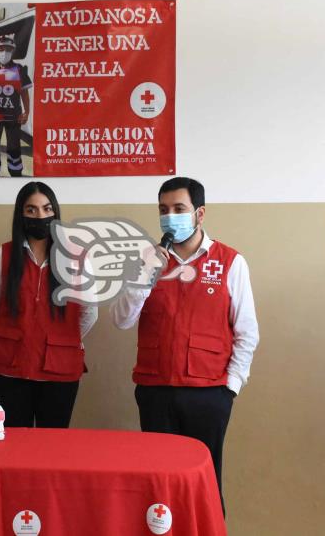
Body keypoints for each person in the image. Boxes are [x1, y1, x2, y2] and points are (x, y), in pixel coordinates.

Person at [110, 177, 259, 510]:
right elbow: (121, 320)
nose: (170, 216)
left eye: (179, 208)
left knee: (203, 485)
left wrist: (230, 388)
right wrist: (144, 279)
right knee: (159, 486)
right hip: (154, 390)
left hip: (209, 394)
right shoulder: (144, 259)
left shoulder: (231, 262)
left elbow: (247, 332)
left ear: (200, 213)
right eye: (164, 210)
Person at [0, 182, 97, 427]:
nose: (40, 216)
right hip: (10, 371)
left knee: (52, 449)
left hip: (60, 372)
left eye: (47, 209)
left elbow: (89, 314)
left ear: (55, 212)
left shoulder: (76, 259)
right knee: (12, 446)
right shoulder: (2, 255)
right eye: (31, 210)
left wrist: (61, 340)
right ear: (20, 214)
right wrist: (21, 335)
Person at [0, 35, 31, 177]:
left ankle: (15, 172)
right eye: (1, 49)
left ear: (13, 50)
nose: (4, 52)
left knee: (14, 146)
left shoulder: (19, 69)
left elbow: (24, 94)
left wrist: (27, 112)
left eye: (8, 49)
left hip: (13, 117)